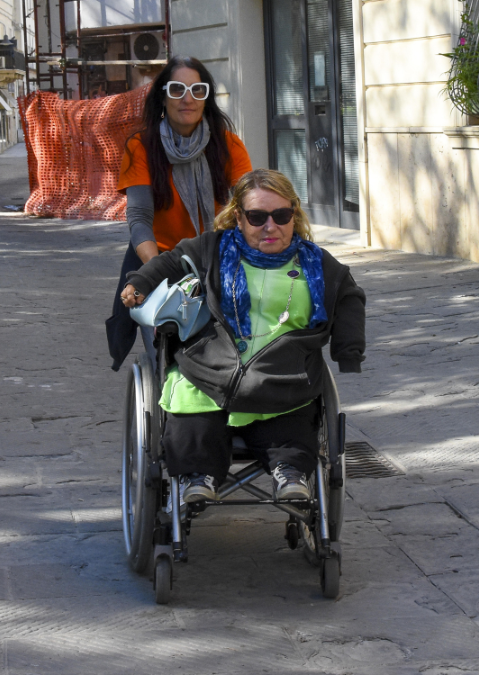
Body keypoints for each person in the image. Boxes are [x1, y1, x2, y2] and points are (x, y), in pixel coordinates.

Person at [119, 169, 366, 502]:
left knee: (291, 419)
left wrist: (348, 351)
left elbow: (349, 295)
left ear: (293, 214)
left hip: (281, 376)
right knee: (193, 411)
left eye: (281, 215)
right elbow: (169, 263)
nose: (270, 226)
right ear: (238, 217)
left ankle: (290, 471)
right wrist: (139, 283)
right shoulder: (212, 249)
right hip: (210, 368)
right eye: (257, 216)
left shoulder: (316, 263)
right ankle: (197, 474)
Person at [106, 56, 254, 371]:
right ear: (162, 96)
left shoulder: (228, 145)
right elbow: (139, 220)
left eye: (197, 90)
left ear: (206, 98)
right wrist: (161, 271)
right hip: (158, 260)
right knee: (167, 359)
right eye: (177, 90)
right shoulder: (141, 147)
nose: (187, 98)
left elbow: (248, 206)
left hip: (215, 259)